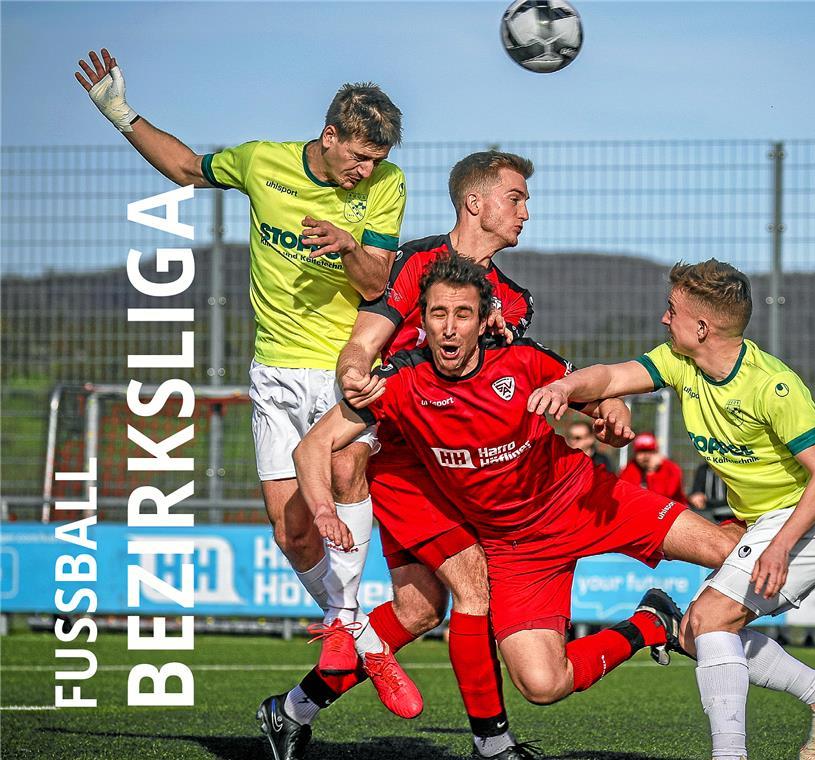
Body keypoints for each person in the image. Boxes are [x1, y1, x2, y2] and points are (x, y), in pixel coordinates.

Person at [74, 48, 413, 705]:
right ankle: (362, 638)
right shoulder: (264, 163)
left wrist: (349, 248)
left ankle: (351, 635)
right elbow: (183, 167)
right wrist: (119, 112)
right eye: (358, 157)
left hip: (344, 369)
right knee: (290, 532)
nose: (366, 170)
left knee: (346, 470)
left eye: (376, 160)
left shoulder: (385, 186)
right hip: (274, 372)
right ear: (330, 135)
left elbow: (379, 285)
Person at [298, 255, 738, 719]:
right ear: (423, 320)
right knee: (544, 684)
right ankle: (651, 624)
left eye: (462, 314)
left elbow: (595, 392)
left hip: (584, 499)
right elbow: (313, 447)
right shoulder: (402, 383)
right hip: (516, 549)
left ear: (483, 318)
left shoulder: (523, 361)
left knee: (726, 550)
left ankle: (806, 541)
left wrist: (616, 411)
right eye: (438, 314)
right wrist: (325, 509)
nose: (449, 328)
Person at [529, 259, 815, 760]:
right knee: (694, 631)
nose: (664, 320)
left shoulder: (773, 386)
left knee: (710, 620)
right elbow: (610, 376)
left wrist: (778, 547)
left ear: (703, 327)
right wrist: (565, 387)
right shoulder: (680, 362)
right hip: (774, 518)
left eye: (673, 311)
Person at [265, 152, 543, 760]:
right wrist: (357, 372)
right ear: (476, 203)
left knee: (419, 609)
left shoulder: (516, 301)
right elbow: (364, 339)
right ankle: (493, 747)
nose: (527, 209)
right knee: (473, 590)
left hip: (464, 471)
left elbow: (505, 386)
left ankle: (291, 711)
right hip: (403, 463)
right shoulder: (414, 263)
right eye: (517, 197)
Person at [619, 432, 688, 504]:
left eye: (649, 451)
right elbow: (627, 496)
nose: (645, 456)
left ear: (656, 452)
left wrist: (652, 473)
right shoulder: (630, 469)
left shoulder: (670, 469)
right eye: (641, 452)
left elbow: (665, 496)